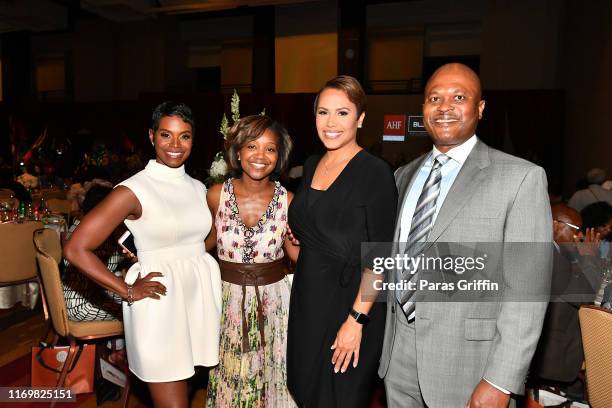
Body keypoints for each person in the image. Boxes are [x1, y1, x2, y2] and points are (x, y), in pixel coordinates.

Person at [378, 63, 553, 408]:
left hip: (471, 366)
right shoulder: (402, 176)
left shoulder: (520, 178)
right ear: (423, 109)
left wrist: (501, 380)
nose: (444, 107)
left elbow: (528, 292)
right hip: (397, 358)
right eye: (434, 98)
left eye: (459, 97)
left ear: (480, 108)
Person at [64, 101, 222, 407]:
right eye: (166, 135)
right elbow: (75, 247)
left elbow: (203, 241)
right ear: (151, 136)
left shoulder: (198, 187)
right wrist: (127, 290)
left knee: (186, 395)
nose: (175, 145)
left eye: (184, 136)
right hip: (158, 305)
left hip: (194, 301)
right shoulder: (133, 190)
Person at [287, 75, 397, 407]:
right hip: (308, 304)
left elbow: (381, 256)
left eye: (342, 113)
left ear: (360, 118)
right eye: (323, 112)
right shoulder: (310, 165)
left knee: (341, 398)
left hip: (351, 308)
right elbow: (311, 244)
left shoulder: (375, 172)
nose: (331, 122)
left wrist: (356, 321)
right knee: (306, 392)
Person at [205, 115, 298, 407]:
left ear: (279, 155)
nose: (260, 156)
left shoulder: (289, 200)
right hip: (226, 300)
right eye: (252, 146)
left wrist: (305, 243)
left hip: (275, 302)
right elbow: (205, 242)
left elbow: (296, 256)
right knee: (231, 377)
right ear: (238, 151)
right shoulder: (216, 195)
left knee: (273, 377)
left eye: (270, 149)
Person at [529, 204, 601, 400]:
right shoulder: (549, 256)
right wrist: (589, 258)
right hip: (549, 358)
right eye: (575, 230)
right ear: (554, 225)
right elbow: (587, 297)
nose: (578, 237)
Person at [62, 185, 127, 321]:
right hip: (85, 306)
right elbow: (105, 273)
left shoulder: (77, 226)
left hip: (66, 302)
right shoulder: (98, 239)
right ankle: (119, 342)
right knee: (139, 308)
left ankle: (115, 342)